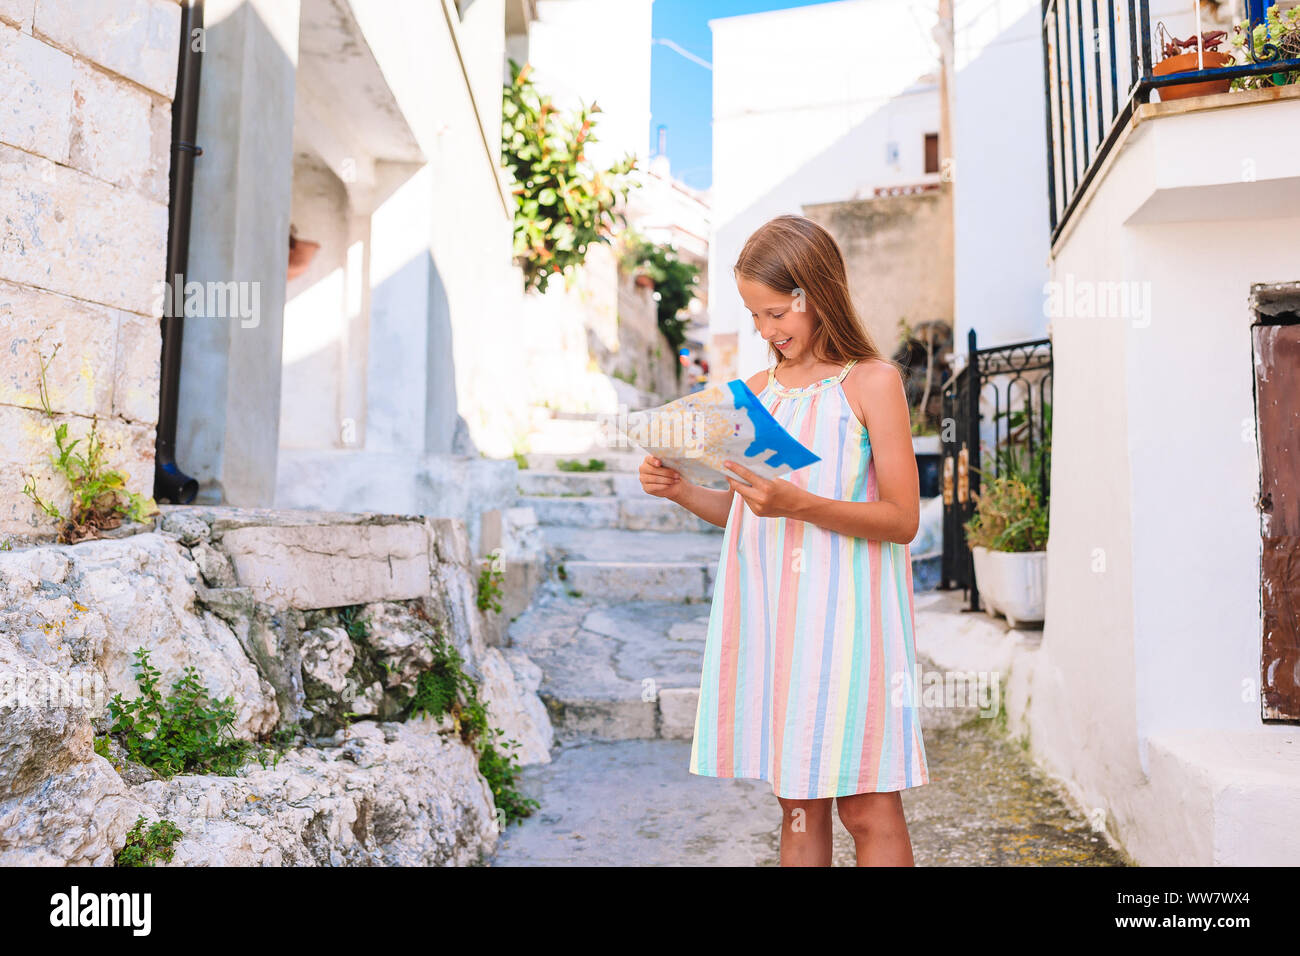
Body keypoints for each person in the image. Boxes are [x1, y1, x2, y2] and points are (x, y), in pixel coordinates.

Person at [637, 214, 929, 866]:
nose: (767, 332)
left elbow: (903, 519)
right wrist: (682, 491)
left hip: (853, 624)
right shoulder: (751, 397)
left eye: (776, 313)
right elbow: (749, 515)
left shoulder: (872, 382)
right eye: (754, 316)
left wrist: (802, 503)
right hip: (781, 625)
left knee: (867, 802)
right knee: (796, 802)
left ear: (816, 293)